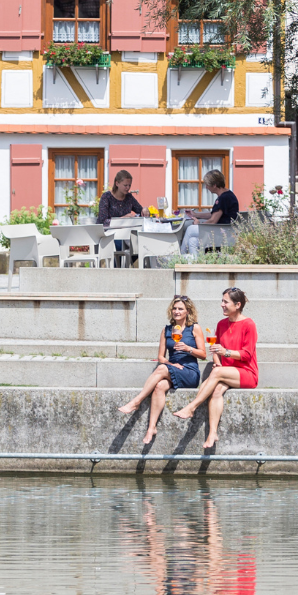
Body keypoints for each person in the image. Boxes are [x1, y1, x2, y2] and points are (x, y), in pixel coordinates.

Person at [172, 287, 257, 448]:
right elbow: (215, 348)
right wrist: (217, 360)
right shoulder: (221, 324)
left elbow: (246, 355)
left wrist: (226, 353)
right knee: (216, 390)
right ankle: (212, 434)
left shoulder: (249, 324)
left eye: (226, 302)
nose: (222, 304)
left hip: (246, 373)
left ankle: (191, 407)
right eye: (222, 301)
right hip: (225, 371)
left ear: (237, 305)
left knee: (215, 374)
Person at [117, 295, 207, 445]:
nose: (176, 311)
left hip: (189, 372)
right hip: (172, 369)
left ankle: (137, 401)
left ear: (188, 311)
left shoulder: (194, 328)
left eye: (180, 309)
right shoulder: (166, 330)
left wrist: (188, 349)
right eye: (174, 308)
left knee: (161, 369)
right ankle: (151, 428)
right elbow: (161, 357)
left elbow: (203, 355)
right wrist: (171, 365)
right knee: (159, 386)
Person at [180, 170, 240, 255]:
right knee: (192, 241)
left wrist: (199, 225)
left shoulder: (223, 198)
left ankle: (179, 258)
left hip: (221, 234)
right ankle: (195, 262)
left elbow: (213, 221)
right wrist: (195, 214)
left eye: (207, 184)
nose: (206, 187)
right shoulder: (228, 195)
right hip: (226, 232)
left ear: (214, 185)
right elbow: (215, 214)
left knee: (190, 229)